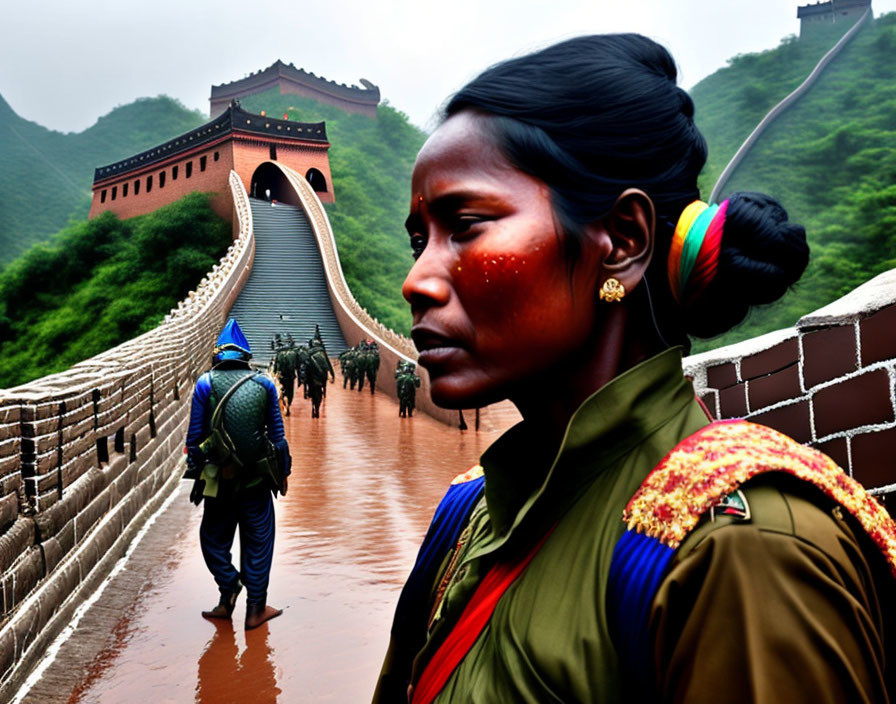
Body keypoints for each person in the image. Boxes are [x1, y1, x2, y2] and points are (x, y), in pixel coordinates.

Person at [374, 35, 896, 703]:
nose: (415, 280)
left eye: (467, 225)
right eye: (420, 240)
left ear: (622, 243)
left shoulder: (739, 554)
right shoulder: (469, 515)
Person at [184, 319, 291, 630]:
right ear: (245, 355)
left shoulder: (205, 384)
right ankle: (256, 610)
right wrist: (282, 473)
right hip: (257, 480)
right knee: (259, 541)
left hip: (220, 481)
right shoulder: (265, 384)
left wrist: (198, 474)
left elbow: (194, 440)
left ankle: (228, 587)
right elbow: (278, 437)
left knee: (213, 539)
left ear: (218, 355)